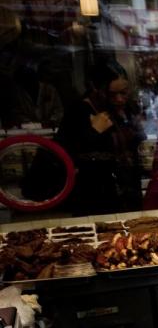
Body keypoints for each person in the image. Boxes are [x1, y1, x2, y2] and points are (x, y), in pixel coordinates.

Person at [53, 62, 144, 215]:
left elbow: (136, 141)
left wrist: (136, 128)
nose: (120, 99)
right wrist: (94, 131)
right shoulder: (80, 110)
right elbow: (66, 152)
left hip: (127, 189)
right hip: (94, 194)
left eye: (124, 92)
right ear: (95, 88)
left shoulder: (126, 109)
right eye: (112, 94)